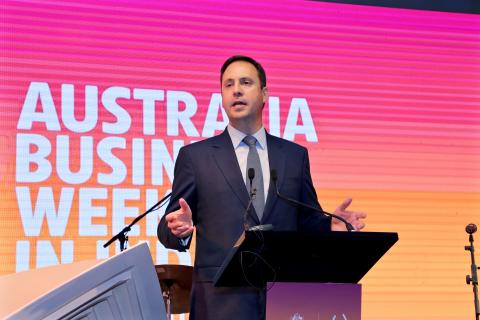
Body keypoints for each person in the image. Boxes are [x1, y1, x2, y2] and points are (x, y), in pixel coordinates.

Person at [157, 55, 366, 319]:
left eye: (246, 82)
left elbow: (305, 218)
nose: (236, 90)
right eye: (228, 85)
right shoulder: (196, 157)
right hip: (220, 304)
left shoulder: (293, 155)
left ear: (264, 94)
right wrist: (180, 229)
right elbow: (166, 229)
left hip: (285, 303)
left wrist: (329, 225)